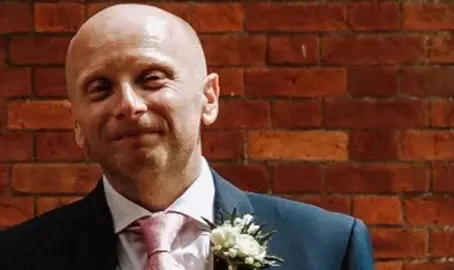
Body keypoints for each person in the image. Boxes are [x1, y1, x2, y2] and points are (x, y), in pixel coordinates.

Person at [0, 4, 375, 270]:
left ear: (208, 98)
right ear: (77, 124)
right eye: (100, 88)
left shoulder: (326, 247)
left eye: (151, 78)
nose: (129, 105)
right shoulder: (17, 257)